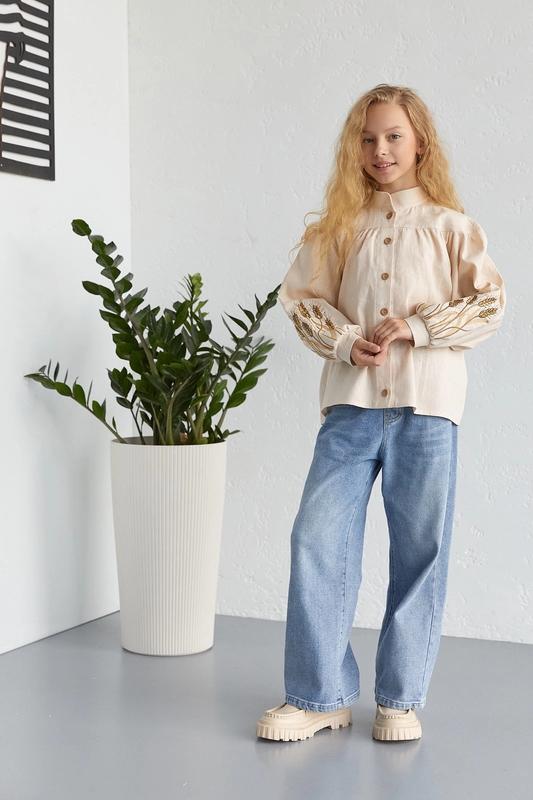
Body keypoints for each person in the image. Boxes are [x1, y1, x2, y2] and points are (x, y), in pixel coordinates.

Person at [256, 83, 505, 743]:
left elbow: (488, 304)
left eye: (393, 136)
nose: (380, 150)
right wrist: (345, 340)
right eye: (367, 139)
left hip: (428, 410)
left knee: (420, 551)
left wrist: (419, 328)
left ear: (420, 142)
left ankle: (399, 699)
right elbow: (301, 299)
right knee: (315, 540)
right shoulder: (338, 229)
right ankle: (319, 696)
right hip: (351, 408)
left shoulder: (452, 228)